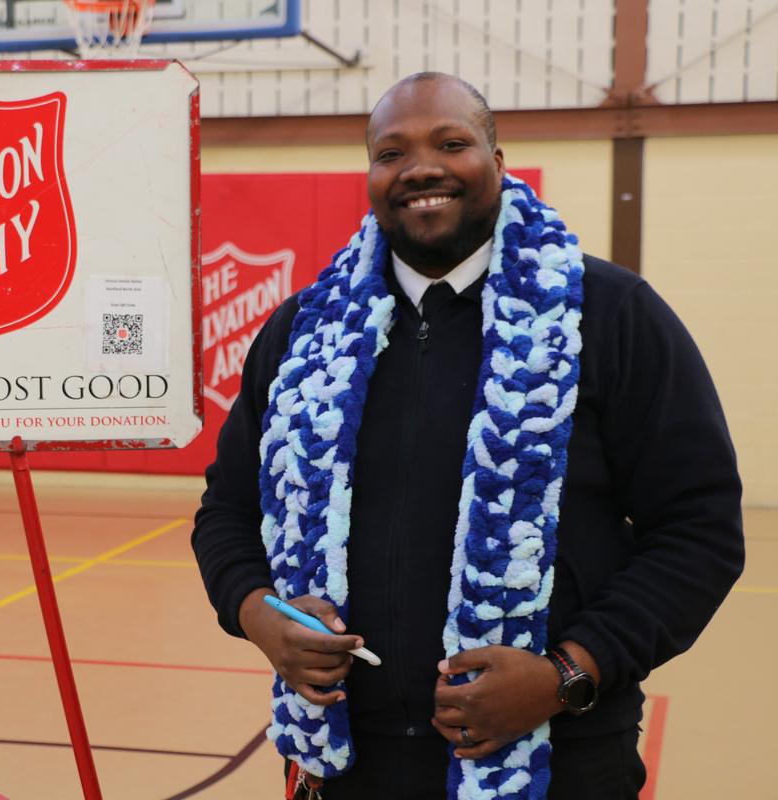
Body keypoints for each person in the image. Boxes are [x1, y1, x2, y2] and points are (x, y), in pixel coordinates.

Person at [191, 72, 744, 799]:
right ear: (371, 177)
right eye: (391, 153)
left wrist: (568, 674)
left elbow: (698, 531)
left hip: (558, 762)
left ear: (497, 160)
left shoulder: (609, 316)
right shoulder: (300, 333)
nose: (421, 167)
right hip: (344, 764)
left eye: (451, 143)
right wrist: (255, 611)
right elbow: (226, 511)